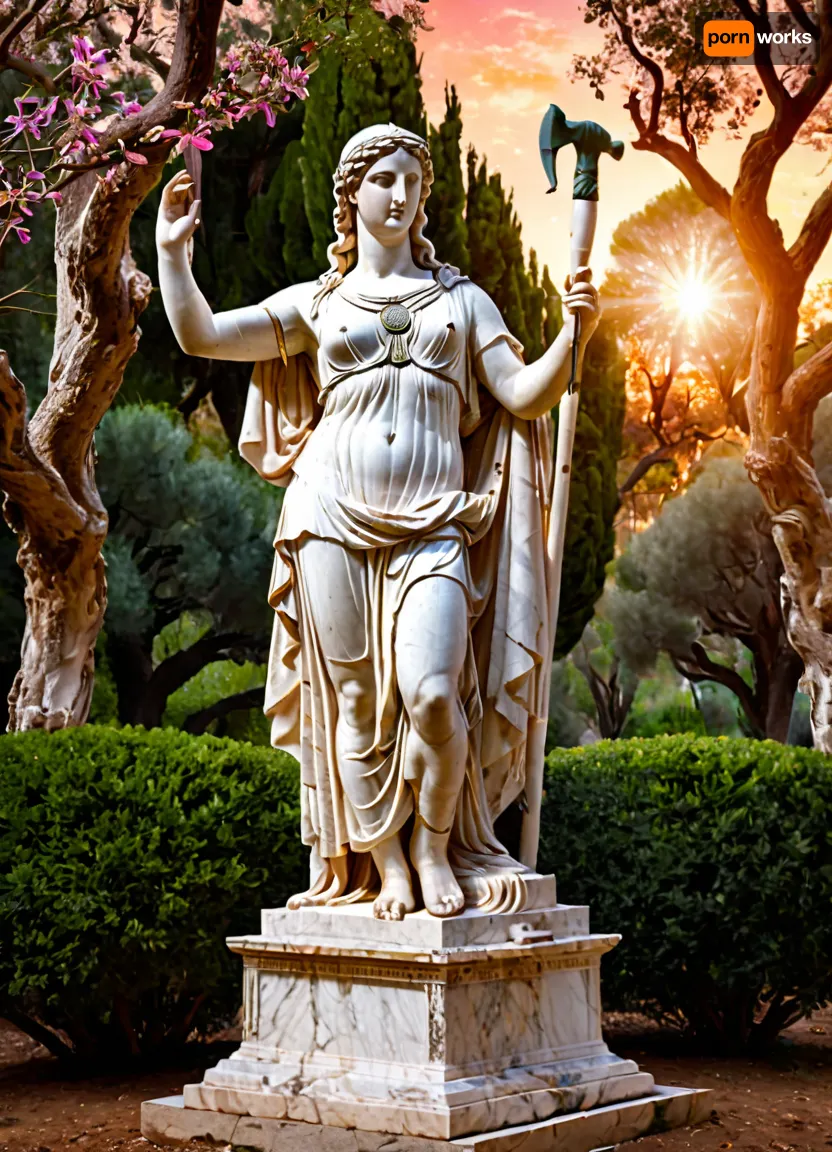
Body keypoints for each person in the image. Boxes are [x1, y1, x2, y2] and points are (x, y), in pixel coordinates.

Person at [156, 122, 599, 920]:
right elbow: (203, 334)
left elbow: (525, 393)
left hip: (433, 524)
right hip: (328, 515)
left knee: (433, 693)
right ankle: (385, 863)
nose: (401, 196)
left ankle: (434, 844)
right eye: (384, 180)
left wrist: (574, 335)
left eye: (413, 183)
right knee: (356, 704)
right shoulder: (316, 304)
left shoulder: (462, 301)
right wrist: (172, 256)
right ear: (350, 193)